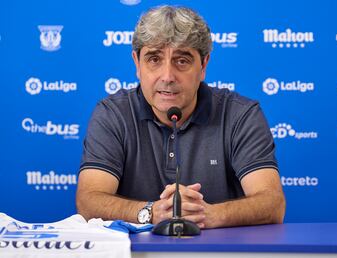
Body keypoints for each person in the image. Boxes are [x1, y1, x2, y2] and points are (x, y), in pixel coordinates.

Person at [76, 5, 285, 229]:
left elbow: (272, 203)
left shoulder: (241, 115)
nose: (167, 76)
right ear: (137, 64)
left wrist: (210, 215)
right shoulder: (112, 114)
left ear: (203, 66)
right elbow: (88, 201)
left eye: (182, 61)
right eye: (154, 59)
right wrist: (150, 211)